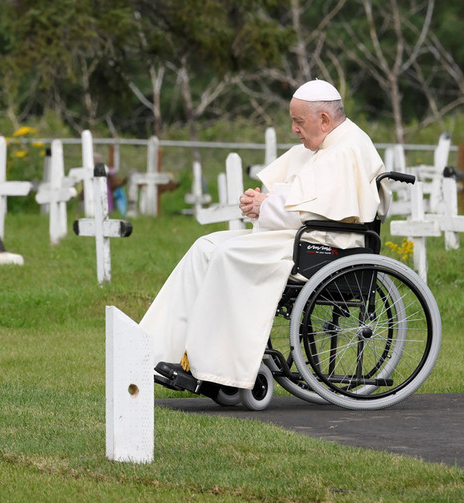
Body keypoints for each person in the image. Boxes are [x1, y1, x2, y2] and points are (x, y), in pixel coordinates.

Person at [139, 80, 386, 393]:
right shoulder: (328, 144)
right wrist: (261, 203)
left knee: (228, 255)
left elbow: (319, 212)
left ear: (323, 119)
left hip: (326, 244)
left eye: (299, 122)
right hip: (304, 236)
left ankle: (213, 370)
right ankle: (153, 352)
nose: (294, 129)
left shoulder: (347, 148)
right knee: (207, 246)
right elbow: (304, 197)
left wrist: (266, 206)